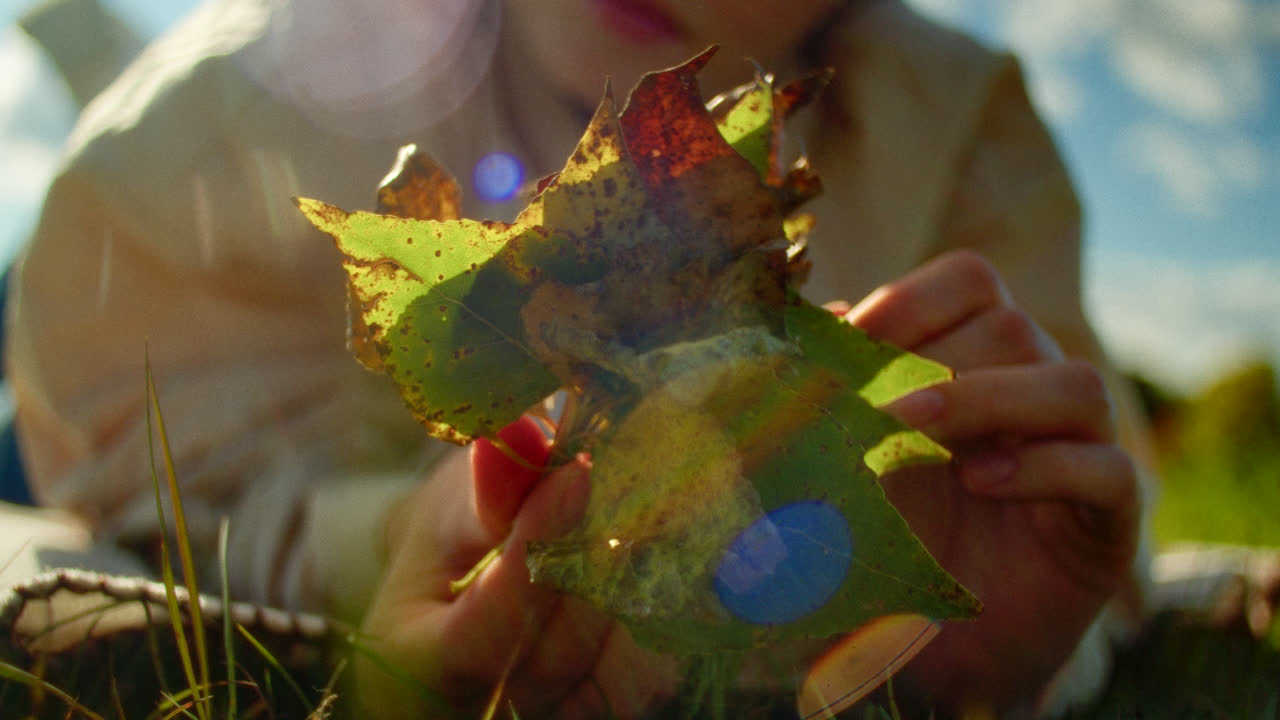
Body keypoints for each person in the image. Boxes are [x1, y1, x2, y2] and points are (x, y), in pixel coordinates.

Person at [4, 0, 1155, 716]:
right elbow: (122, 421)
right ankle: (80, 36)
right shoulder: (285, 73)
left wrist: (958, 655)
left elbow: (1097, 510)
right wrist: (380, 542)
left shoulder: (954, 142)